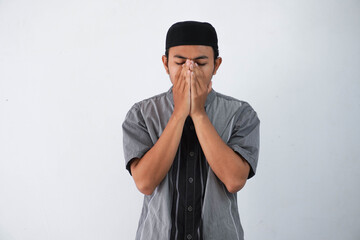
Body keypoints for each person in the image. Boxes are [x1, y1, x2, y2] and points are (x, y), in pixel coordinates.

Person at [122, 21, 260, 240]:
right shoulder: (141, 114)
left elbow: (234, 180)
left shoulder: (241, 114)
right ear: (166, 64)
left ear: (216, 65)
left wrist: (198, 113)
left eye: (200, 63)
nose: (190, 70)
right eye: (180, 62)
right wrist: (178, 114)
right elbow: (145, 183)